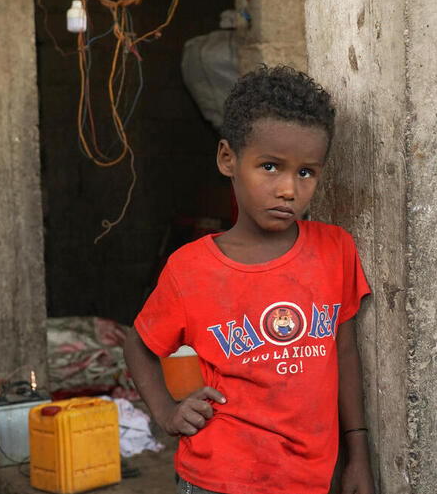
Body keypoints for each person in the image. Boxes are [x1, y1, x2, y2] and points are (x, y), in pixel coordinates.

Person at [124, 65, 375, 494]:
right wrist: (167, 413)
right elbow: (139, 345)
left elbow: (345, 354)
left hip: (311, 479)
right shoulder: (191, 269)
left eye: (306, 172)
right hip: (217, 478)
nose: (288, 190)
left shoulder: (335, 251)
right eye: (270, 167)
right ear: (228, 159)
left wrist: (358, 455)